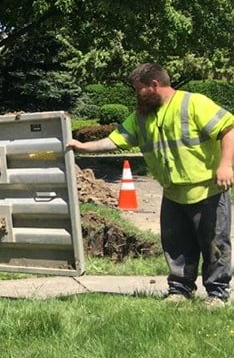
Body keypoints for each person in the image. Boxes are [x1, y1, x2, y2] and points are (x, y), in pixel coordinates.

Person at [68, 64, 234, 308]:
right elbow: (116, 140)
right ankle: (180, 290)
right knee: (176, 246)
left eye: (138, 89)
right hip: (172, 192)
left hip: (207, 191)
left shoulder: (193, 103)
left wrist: (226, 165)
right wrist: (83, 147)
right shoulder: (142, 116)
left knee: (214, 245)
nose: (136, 95)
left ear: (154, 85)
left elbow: (228, 129)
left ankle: (217, 294)